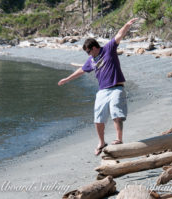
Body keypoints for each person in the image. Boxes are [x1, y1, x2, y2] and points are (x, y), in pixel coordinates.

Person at [58, 18, 138, 156]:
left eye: (88, 52)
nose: (88, 55)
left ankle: (119, 139)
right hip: (103, 91)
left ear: (94, 48)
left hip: (116, 88)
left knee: (116, 114)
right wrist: (67, 79)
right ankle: (101, 142)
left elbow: (119, 35)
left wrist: (126, 25)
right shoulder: (91, 60)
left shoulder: (108, 49)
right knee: (98, 119)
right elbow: (82, 70)